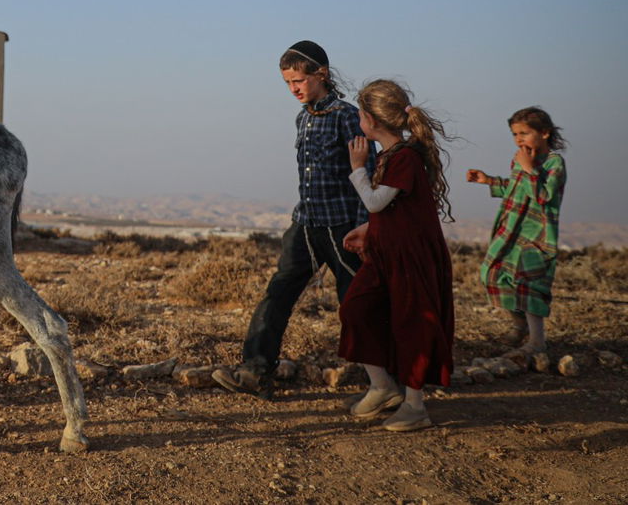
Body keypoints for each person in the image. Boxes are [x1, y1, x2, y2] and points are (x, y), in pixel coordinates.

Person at [214, 40, 372, 397]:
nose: (293, 89)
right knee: (278, 293)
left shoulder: (347, 117)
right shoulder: (303, 117)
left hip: (343, 227)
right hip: (305, 224)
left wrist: (366, 225)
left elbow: (367, 171)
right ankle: (255, 371)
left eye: (298, 80)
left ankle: (386, 379)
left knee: (356, 305)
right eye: (287, 83)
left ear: (322, 75)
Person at [338, 79, 455, 432]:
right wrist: (371, 230)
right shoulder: (391, 156)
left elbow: (375, 200)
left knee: (412, 324)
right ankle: (383, 387)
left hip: (410, 258)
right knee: (356, 309)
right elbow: (392, 209)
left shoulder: (404, 157)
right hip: (387, 254)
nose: (358, 118)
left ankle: (415, 406)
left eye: (361, 111)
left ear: (371, 120)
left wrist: (356, 166)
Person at [468, 107, 568, 353]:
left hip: (537, 236)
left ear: (544, 133)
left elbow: (543, 196)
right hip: (511, 232)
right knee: (492, 274)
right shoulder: (520, 159)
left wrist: (530, 168)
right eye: (515, 134)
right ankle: (519, 326)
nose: (519, 139)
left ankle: (537, 342)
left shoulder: (554, 163)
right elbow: (516, 188)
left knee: (530, 285)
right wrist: (489, 180)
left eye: (524, 133)